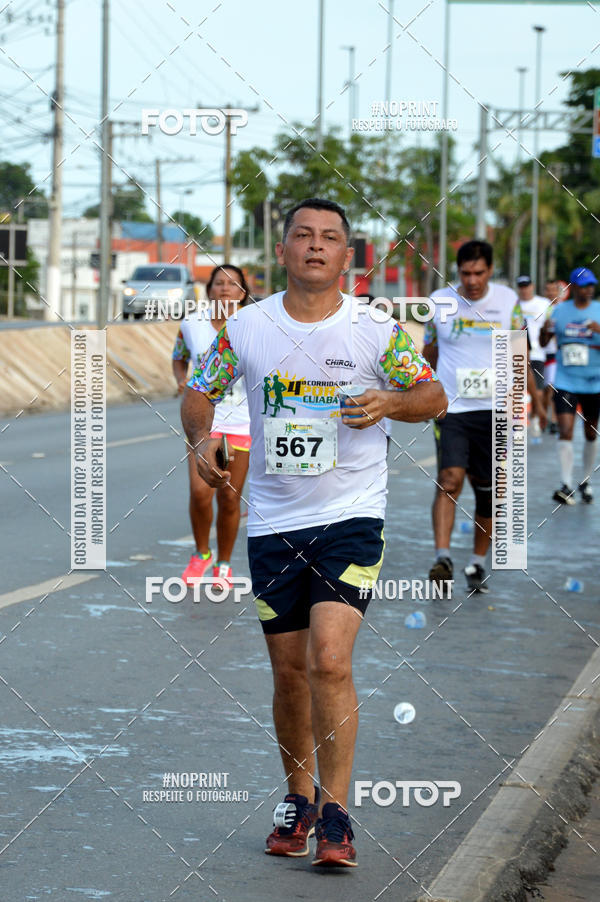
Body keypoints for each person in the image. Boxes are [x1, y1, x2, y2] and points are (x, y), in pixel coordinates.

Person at [181, 198, 447, 868]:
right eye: (304, 235)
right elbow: (199, 391)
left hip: (353, 516)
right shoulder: (247, 327)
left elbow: (433, 396)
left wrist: (391, 401)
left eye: (331, 237)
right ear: (284, 251)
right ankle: (297, 799)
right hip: (273, 523)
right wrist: (201, 437)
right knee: (289, 672)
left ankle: (335, 812)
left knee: (330, 659)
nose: (316, 247)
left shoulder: (374, 330)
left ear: (347, 256)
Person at [422, 240, 542, 595]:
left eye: (479, 273)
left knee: (487, 491)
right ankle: (442, 557)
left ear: (490, 271)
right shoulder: (440, 301)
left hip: (495, 411)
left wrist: (524, 403)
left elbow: (521, 355)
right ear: (457, 271)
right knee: (449, 477)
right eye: (465, 273)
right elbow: (428, 350)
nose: (472, 281)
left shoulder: (507, 302)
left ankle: (477, 562)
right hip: (452, 408)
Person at [172, 264, 251, 586]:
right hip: (203, 423)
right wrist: (181, 379)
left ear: (243, 293)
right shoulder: (192, 323)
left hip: (242, 422)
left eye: (232, 284)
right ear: (209, 291)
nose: (224, 289)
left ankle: (224, 563)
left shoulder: (253, 326)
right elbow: (179, 356)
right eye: (218, 283)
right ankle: (201, 554)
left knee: (230, 497)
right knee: (200, 492)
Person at [539, 266, 600, 505]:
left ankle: (585, 480)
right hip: (565, 381)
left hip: (594, 381)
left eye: (591, 286)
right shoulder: (558, 311)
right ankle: (565, 485)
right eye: (583, 286)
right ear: (572, 288)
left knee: (590, 432)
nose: (588, 290)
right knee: (565, 429)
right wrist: (545, 332)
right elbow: (545, 342)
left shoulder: (599, 310)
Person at [516, 275, 551, 438]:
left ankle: (536, 418)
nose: (524, 289)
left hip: (537, 352)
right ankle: (515, 423)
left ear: (532, 286)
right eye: (521, 286)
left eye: (527, 286)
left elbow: (550, 324)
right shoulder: (513, 304)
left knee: (537, 391)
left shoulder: (543, 304)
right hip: (516, 353)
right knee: (515, 390)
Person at [542, 278, 564, 434]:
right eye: (548, 290)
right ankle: (542, 415)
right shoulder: (540, 307)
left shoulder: (563, 309)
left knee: (553, 387)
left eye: (553, 290)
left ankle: (554, 420)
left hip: (555, 354)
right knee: (542, 389)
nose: (551, 293)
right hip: (539, 352)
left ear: (558, 292)